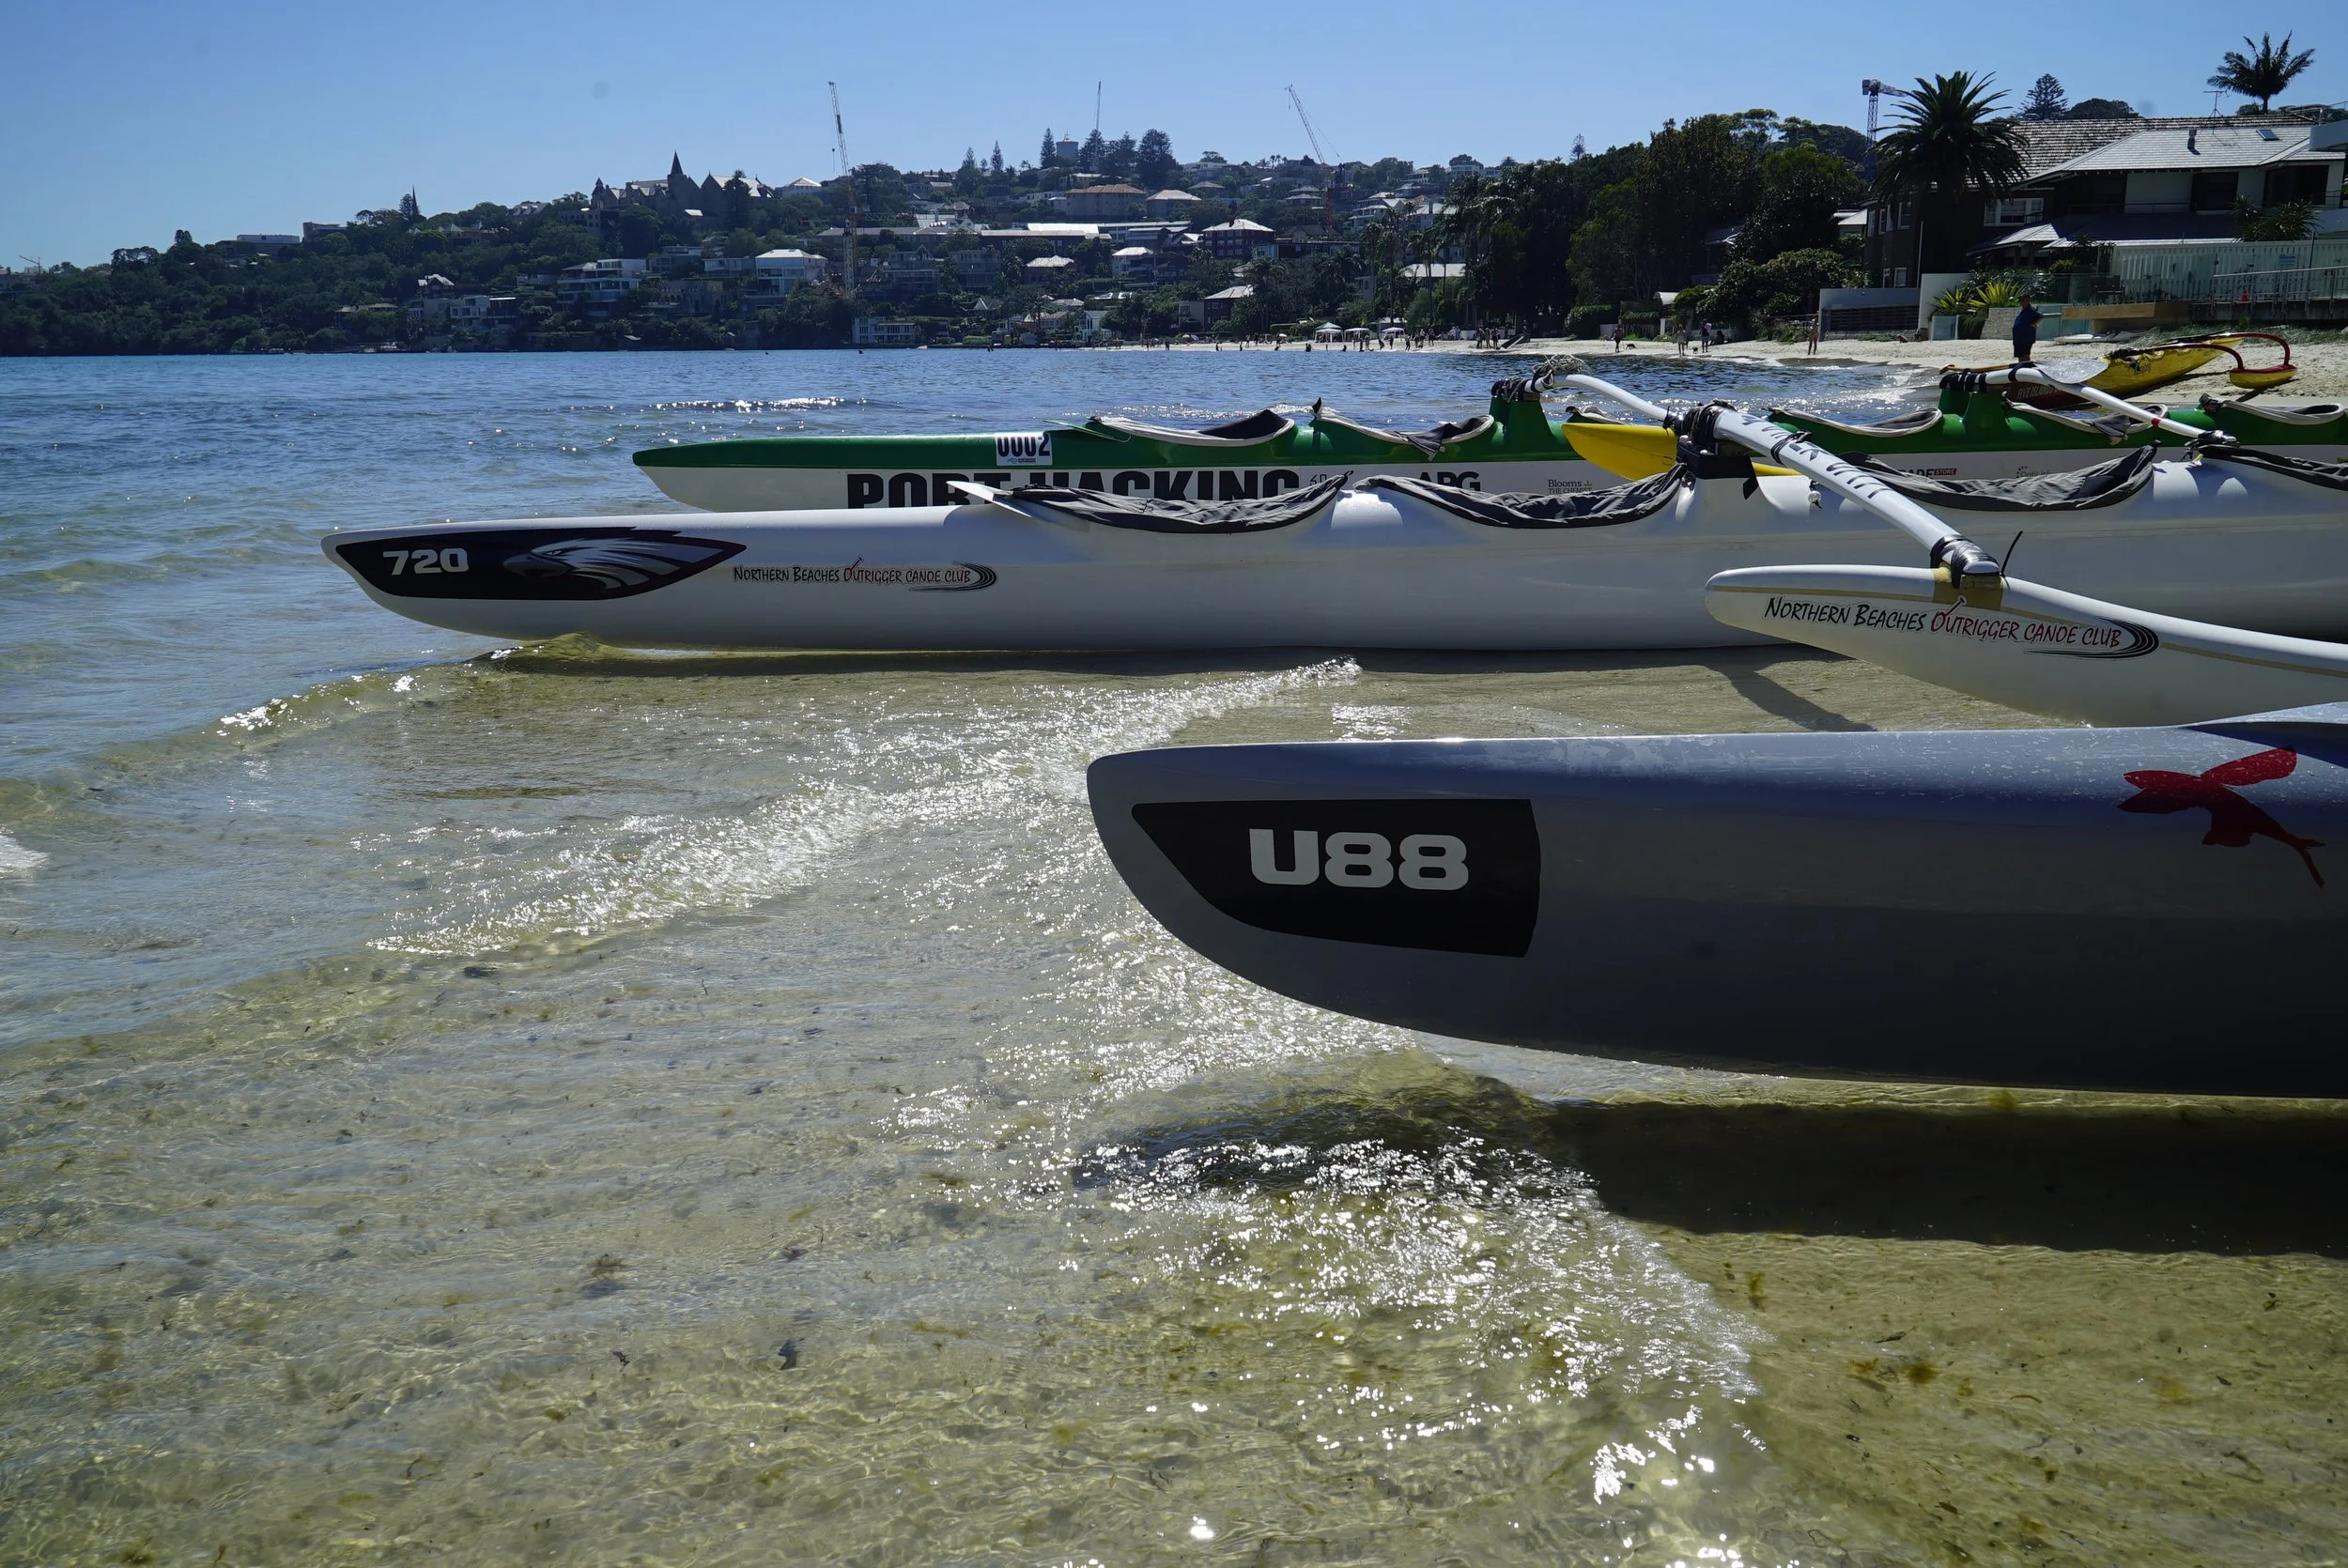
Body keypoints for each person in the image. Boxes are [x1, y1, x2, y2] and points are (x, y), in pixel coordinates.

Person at [2013, 297, 2044, 364]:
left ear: (2028, 300)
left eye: (2024, 300)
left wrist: (2034, 324)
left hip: (2026, 337)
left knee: (2025, 354)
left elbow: (2041, 316)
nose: (2022, 302)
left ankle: (2026, 366)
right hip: (2018, 338)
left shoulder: (2031, 310)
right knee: (2020, 354)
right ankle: (2021, 366)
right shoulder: (2023, 310)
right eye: (2021, 300)